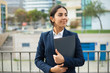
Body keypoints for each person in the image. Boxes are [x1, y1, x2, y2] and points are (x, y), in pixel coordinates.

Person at [35, 5, 85, 73]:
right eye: (60, 15)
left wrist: (64, 59)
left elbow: (81, 60)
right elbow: (38, 60)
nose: (64, 17)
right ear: (52, 18)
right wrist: (51, 69)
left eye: (66, 15)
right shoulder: (44, 36)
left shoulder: (73, 36)